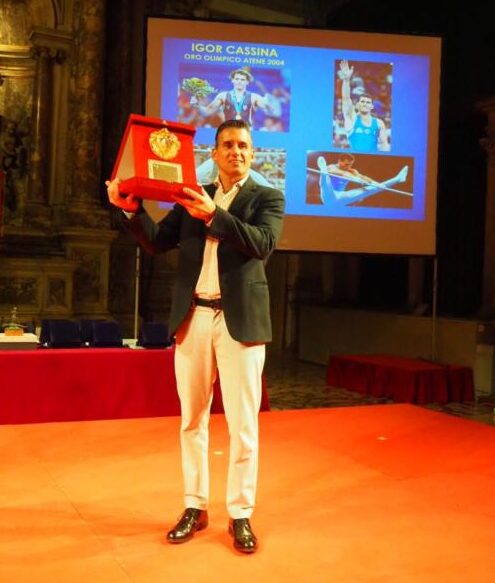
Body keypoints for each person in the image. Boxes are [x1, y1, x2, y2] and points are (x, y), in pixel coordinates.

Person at [106, 119, 285, 554]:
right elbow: (156, 242)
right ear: (214, 153)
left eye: (243, 146)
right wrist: (130, 208)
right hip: (194, 317)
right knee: (192, 420)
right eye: (228, 145)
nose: (236, 152)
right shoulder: (190, 194)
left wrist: (213, 215)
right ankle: (194, 506)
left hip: (239, 321)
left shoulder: (268, 197)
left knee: (243, 425)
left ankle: (240, 513)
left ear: (252, 153)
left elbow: (262, 243)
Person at [190, 68, 280, 128]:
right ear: (232, 80)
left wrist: (269, 107)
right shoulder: (223, 96)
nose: (239, 82)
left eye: (242, 79)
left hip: (246, 133)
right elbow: (206, 111)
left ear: (247, 82)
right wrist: (196, 105)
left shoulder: (254, 97)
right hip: (228, 131)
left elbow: (270, 111)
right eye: (237, 79)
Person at [316, 153, 409, 205]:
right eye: (346, 164)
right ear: (339, 161)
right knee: (325, 180)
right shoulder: (331, 167)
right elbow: (340, 173)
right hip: (327, 196)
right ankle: (322, 171)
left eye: (350, 165)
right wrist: (352, 177)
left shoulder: (352, 171)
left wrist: (377, 184)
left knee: (371, 189)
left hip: (340, 197)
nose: (348, 167)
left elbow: (363, 177)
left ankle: (398, 179)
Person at [339, 60, 390, 152]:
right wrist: (346, 80)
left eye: (368, 102)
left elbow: (384, 145)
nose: (365, 104)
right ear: (358, 105)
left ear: (372, 106)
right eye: (362, 101)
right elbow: (346, 98)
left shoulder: (379, 123)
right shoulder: (351, 119)